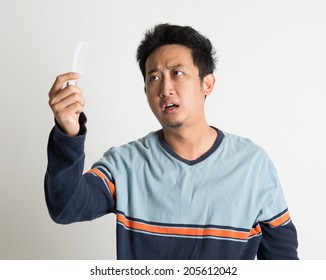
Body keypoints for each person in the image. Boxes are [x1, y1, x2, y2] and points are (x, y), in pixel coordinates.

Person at [45, 23, 299, 259]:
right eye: (153, 77)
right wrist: (68, 133)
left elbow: (282, 260)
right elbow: (66, 207)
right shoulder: (125, 165)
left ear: (207, 83)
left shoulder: (253, 166)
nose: (165, 88)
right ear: (146, 91)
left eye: (177, 73)